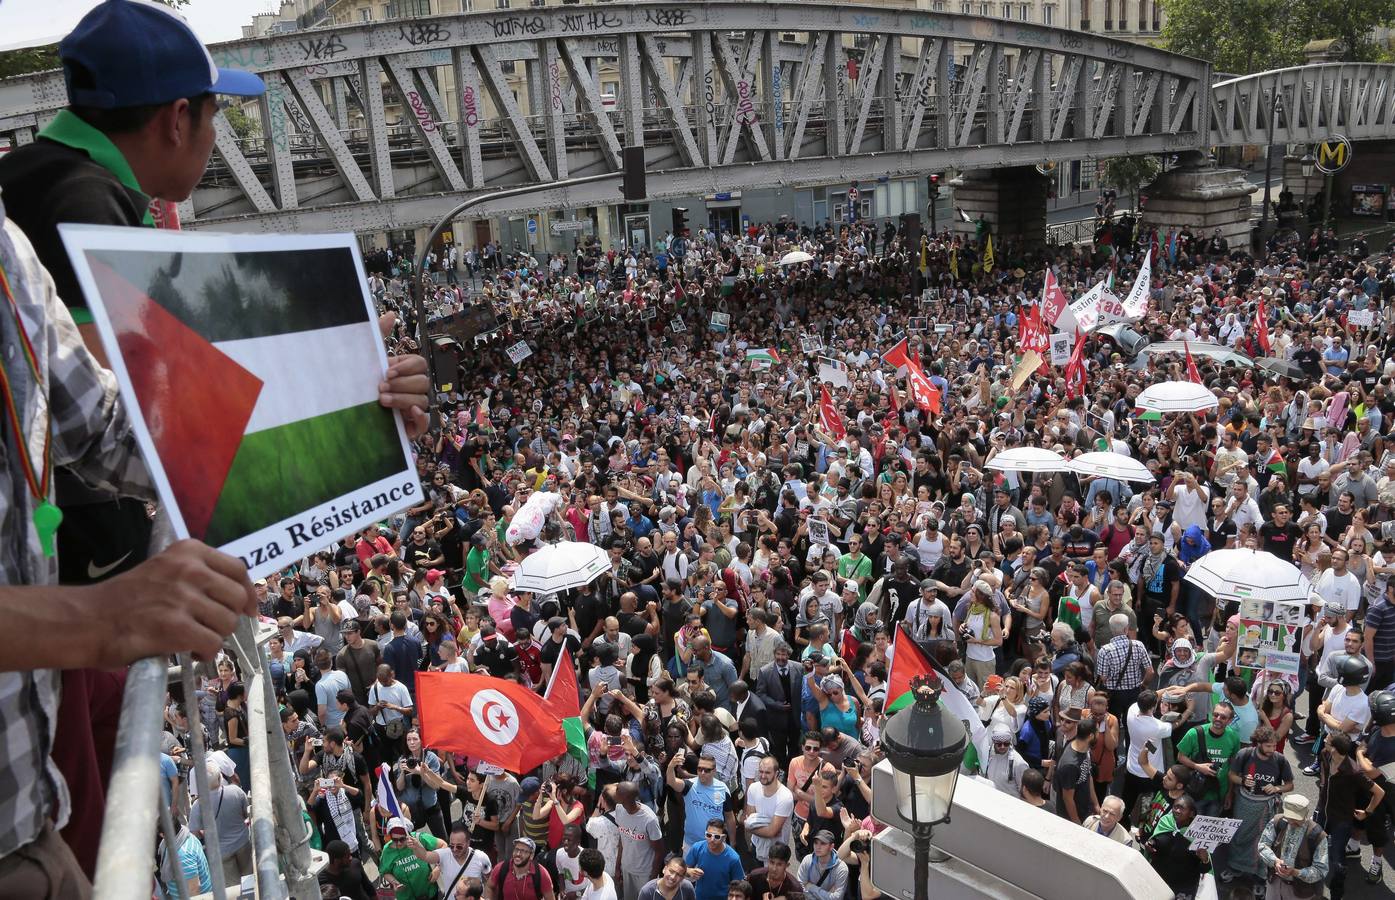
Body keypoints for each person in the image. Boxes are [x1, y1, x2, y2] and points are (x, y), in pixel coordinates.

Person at [1257, 794, 1329, 900]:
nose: (1292, 821)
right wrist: (1275, 861)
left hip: (1300, 891)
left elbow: (1320, 870)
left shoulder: (1317, 835)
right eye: (1289, 817)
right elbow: (1263, 845)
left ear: (1306, 813)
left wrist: (1296, 872)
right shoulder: (1277, 821)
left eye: (1296, 818)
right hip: (1274, 883)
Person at [682, 819, 744, 900]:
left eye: (717, 837)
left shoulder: (733, 858)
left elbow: (738, 885)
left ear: (724, 837)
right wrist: (688, 871)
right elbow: (682, 869)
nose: (712, 840)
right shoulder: (697, 848)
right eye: (708, 835)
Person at [487, 837, 557, 900]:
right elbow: (489, 886)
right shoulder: (501, 868)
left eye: (523, 851)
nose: (518, 854)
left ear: (531, 856)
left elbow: (550, 898)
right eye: (516, 849)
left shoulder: (541, 873)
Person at [794, 830, 847, 900]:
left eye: (823, 843)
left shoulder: (841, 868)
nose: (818, 847)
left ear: (831, 846)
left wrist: (810, 887)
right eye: (816, 843)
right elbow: (800, 887)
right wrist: (827, 894)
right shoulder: (807, 860)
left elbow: (837, 898)